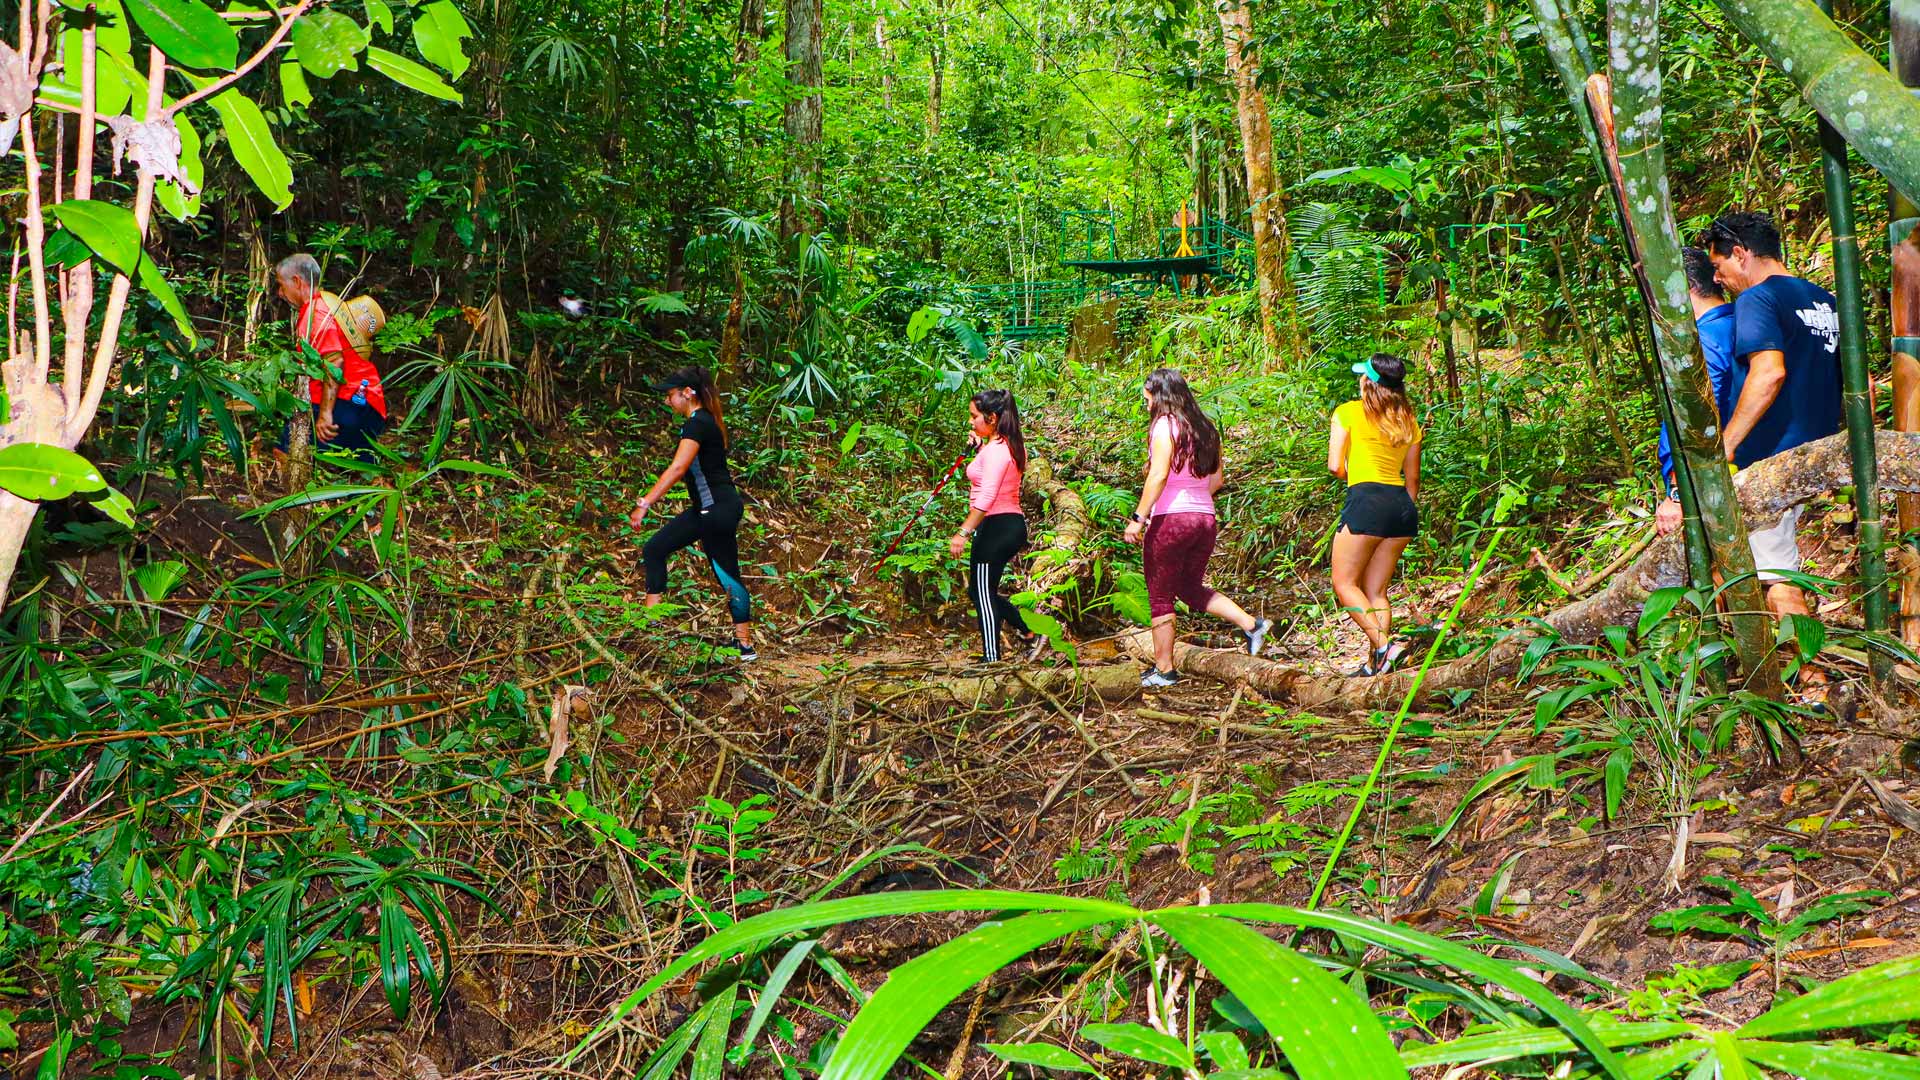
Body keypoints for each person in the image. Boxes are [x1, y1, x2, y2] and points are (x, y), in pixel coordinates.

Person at [1699, 209, 1843, 700]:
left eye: (1719, 266)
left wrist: (1727, 443)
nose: (1718, 278)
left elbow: (1769, 374)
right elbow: (1855, 381)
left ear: (1740, 253)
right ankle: (1766, 670)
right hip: (1816, 453)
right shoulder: (1822, 298)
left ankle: (1812, 681)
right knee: (1749, 567)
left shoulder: (1758, 299)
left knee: (1776, 578)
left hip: (1774, 461)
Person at [1123, 368, 1272, 688]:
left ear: (1159, 395)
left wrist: (1138, 518)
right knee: (1189, 589)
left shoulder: (1165, 425)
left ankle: (1164, 670)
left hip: (1171, 521)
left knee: (1160, 596)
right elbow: (1216, 480)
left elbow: (1159, 475)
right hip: (1204, 519)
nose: (1146, 403)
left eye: (1147, 396)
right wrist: (1192, 497)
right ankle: (1252, 624)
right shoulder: (1206, 428)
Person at [627, 367, 756, 663]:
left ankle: (745, 647)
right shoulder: (703, 421)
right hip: (709, 509)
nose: (668, 401)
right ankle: (651, 628)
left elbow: (677, 468)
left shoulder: (697, 424)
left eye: (671, 395)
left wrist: (645, 503)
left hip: (716, 511)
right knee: (655, 548)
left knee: (727, 575)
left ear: (687, 393)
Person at [1327, 353, 1422, 677]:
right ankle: (1377, 665)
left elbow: (1335, 466)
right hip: (1401, 508)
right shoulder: (1409, 422)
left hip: (1368, 502)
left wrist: (1360, 481)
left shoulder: (1348, 412)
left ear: (1369, 382)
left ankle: (1385, 647)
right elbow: (1413, 481)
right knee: (1376, 590)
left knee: (1344, 583)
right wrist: (1399, 510)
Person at [1653, 247, 1738, 537]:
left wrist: (1677, 494)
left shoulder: (1703, 338)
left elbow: (1698, 417)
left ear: (1684, 288)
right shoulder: (1743, 322)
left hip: (1707, 483)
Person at [949, 389, 1037, 662]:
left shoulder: (998, 452)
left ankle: (992, 660)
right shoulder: (1000, 445)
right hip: (1001, 525)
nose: (971, 422)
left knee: (983, 595)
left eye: (975, 417)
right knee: (978, 591)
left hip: (998, 526)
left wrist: (962, 533)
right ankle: (1027, 631)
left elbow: (987, 497)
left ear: (993, 417)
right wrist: (978, 447)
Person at [274, 253, 387, 466]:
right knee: (354, 468)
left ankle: (295, 496)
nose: (280, 293)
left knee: (287, 451)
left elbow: (334, 362)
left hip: (349, 402)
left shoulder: (315, 314)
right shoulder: (325, 308)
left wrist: (325, 414)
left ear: (297, 281)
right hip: (367, 402)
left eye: (281, 285)